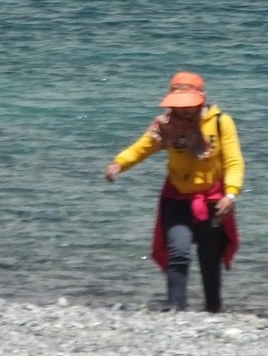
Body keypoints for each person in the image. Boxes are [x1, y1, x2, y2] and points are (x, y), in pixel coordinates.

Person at [104, 72, 244, 312]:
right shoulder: (165, 126)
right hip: (176, 197)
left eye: (189, 105)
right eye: (180, 106)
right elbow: (143, 148)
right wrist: (119, 163)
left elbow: (234, 162)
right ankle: (175, 306)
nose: (185, 111)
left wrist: (230, 194)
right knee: (178, 250)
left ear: (201, 100)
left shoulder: (221, 123)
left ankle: (213, 309)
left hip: (212, 200)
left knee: (210, 258)